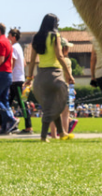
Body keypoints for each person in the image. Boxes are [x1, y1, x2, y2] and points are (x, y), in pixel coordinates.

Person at [25, 14, 74, 142]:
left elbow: (32, 59)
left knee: (52, 104)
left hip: (40, 76)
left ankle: (62, 133)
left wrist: (29, 77)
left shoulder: (37, 37)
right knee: (54, 105)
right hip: (55, 74)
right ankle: (42, 136)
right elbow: (59, 55)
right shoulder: (54, 36)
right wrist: (68, 73)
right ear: (53, 24)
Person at [0, 23, 18, 134]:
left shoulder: (0, 43)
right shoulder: (8, 43)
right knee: (4, 100)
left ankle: (10, 118)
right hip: (8, 74)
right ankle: (5, 128)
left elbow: (0, 59)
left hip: (1, 73)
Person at [8, 28, 33, 134]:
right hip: (18, 79)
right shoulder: (19, 47)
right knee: (8, 103)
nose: (8, 37)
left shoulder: (13, 47)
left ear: (13, 36)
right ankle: (9, 123)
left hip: (15, 80)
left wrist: (8, 75)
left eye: (9, 35)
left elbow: (12, 63)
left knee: (22, 104)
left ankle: (28, 127)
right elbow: (24, 63)